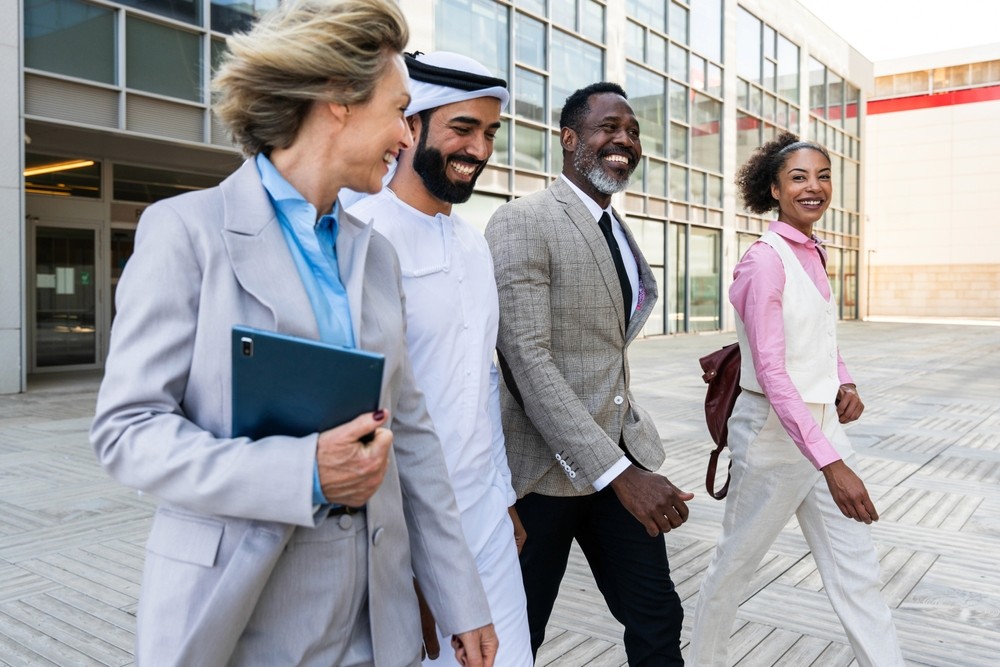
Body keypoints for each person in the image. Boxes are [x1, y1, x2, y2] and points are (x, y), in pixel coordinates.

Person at [88, 2, 498, 665]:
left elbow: (413, 435)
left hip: (375, 618)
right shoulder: (187, 232)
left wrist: (462, 596)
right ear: (337, 98)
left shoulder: (376, 255)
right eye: (397, 110)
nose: (404, 133)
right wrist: (302, 470)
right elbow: (127, 431)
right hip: (239, 613)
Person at [484, 82, 692, 666]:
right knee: (518, 633)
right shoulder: (522, 220)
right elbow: (525, 360)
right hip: (544, 474)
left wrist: (625, 463)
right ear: (569, 139)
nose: (623, 139)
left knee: (657, 616)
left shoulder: (616, 227)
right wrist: (619, 473)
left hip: (620, 457)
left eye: (632, 130)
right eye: (608, 128)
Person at [688, 132, 905, 666]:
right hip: (771, 434)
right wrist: (831, 464)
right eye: (799, 178)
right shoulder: (763, 262)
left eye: (823, 175)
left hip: (821, 426)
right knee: (734, 567)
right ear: (775, 189)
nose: (815, 187)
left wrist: (844, 382)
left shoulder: (814, 251)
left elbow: (819, 338)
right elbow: (772, 372)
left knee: (859, 574)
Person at [348, 52, 533, 666]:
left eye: (489, 133)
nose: (478, 148)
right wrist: (420, 563)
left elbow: (483, 380)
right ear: (411, 127)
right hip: (401, 527)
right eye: (462, 128)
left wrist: (503, 495)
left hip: (483, 515)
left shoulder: (473, 244)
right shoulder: (357, 234)